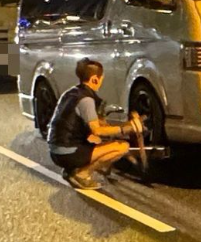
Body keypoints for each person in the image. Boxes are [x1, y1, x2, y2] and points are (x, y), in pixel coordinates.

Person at [46, 58, 141, 190]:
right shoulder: (86, 100)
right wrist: (125, 129)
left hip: (55, 149)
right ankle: (82, 174)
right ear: (95, 79)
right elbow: (97, 130)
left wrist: (124, 126)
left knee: (96, 140)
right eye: (101, 79)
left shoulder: (71, 93)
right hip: (67, 152)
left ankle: (70, 170)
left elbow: (96, 126)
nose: (101, 82)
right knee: (122, 147)